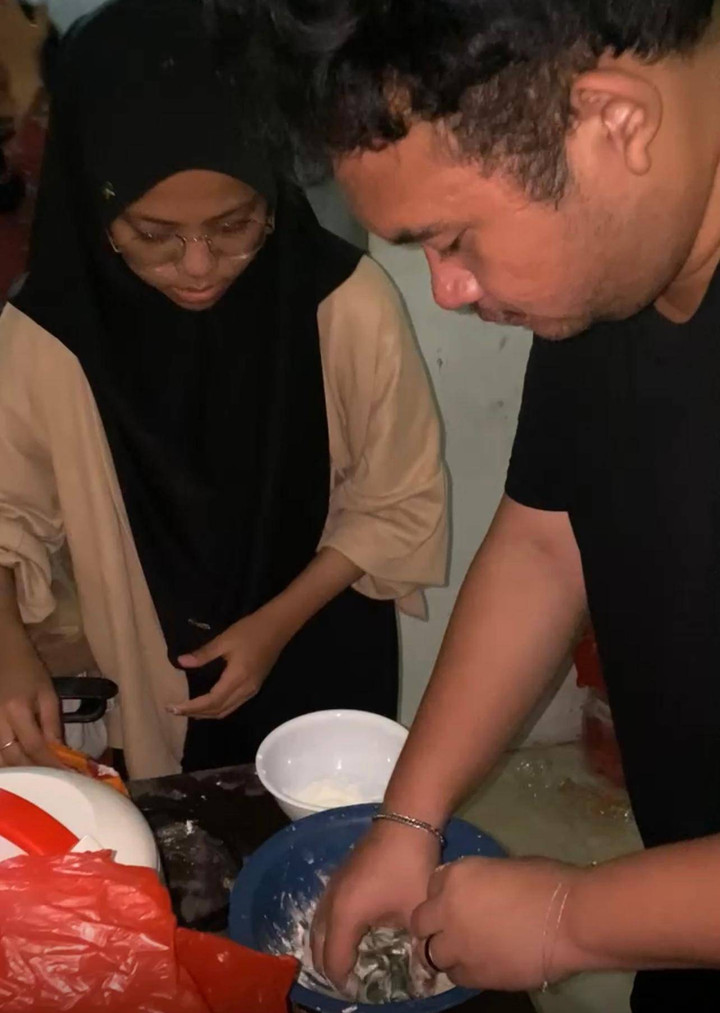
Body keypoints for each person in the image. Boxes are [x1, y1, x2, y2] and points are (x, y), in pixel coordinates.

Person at [254, 0, 720, 1008]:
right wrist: (407, 817)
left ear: (615, 122)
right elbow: (550, 537)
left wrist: (571, 917)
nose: (449, 291)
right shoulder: (618, 268)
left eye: (455, 238)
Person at [0, 0, 447, 780]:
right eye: (154, 235)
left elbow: (399, 501)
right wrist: (9, 652)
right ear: (93, 206)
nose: (200, 266)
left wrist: (273, 626)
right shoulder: (45, 337)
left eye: (236, 224)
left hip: (320, 644)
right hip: (150, 679)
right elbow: (7, 513)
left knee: (323, 835)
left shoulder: (345, 303)